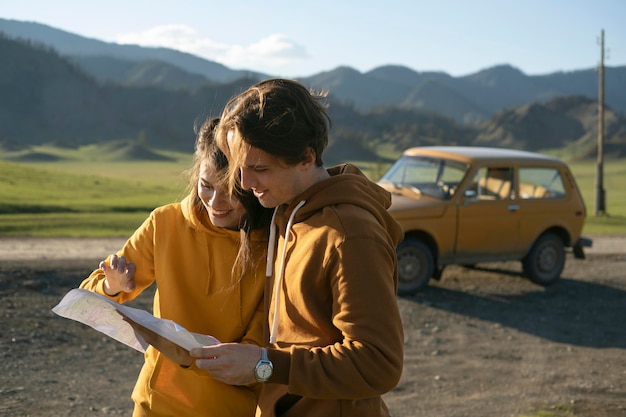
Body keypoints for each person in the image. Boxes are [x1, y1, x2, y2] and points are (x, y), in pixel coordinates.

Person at [190, 78, 405, 417]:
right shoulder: (285, 213)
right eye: (238, 168)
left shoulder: (350, 235)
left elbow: (377, 364)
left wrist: (264, 364)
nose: (245, 184)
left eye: (259, 169)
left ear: (306, 157)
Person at [79, 117, 273, 417]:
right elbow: (89, 293)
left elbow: (257, 344)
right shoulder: (165, 223)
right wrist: (112, 285)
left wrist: (193, 358)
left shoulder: (274, 243)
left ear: (251, 185)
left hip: (231, 406)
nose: (215, 202)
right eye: (206, 186)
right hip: (156, 402)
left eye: (230, 191)